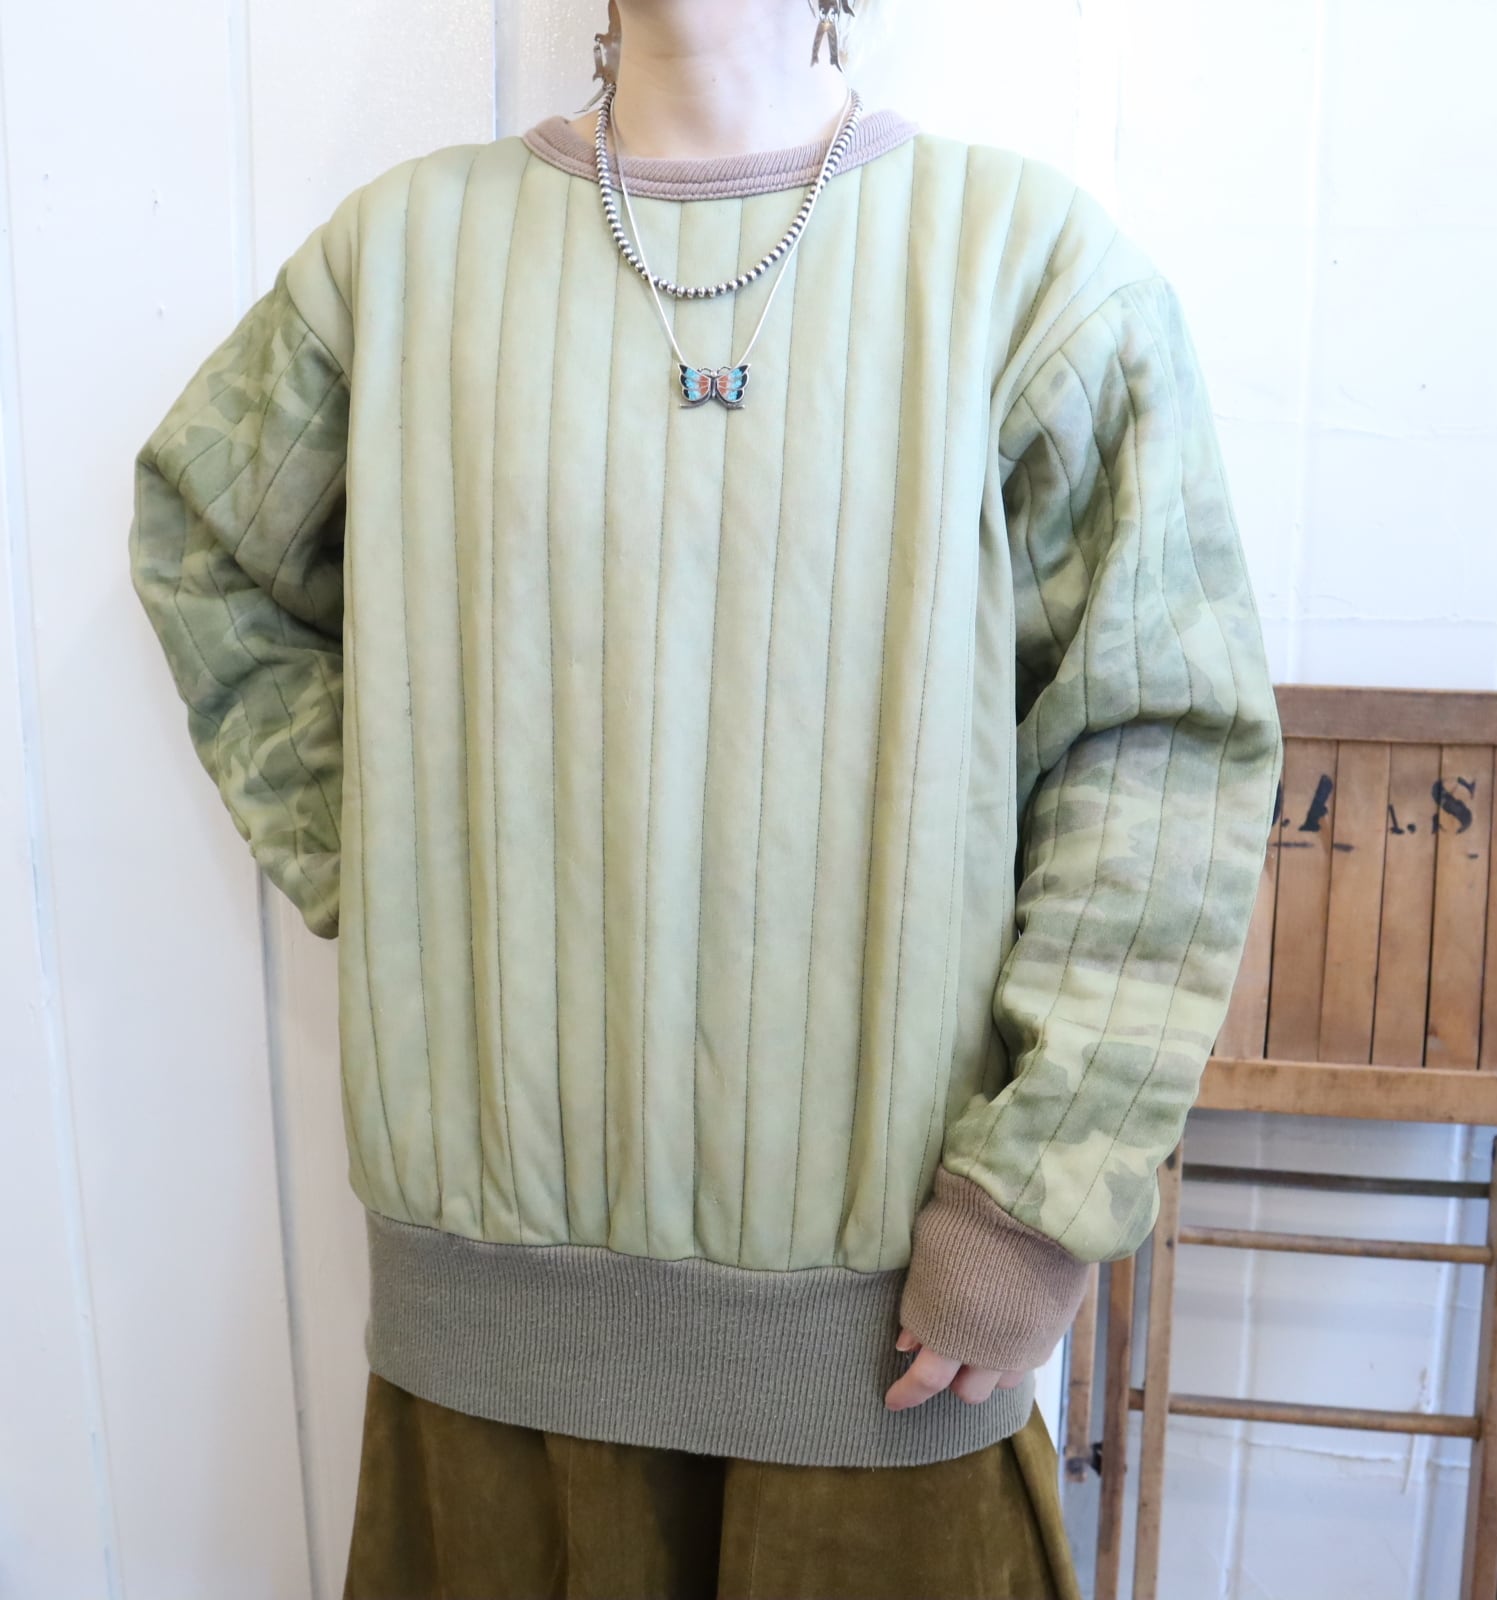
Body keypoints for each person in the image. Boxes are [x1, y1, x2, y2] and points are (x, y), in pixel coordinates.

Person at [125, 0, 1284, 1593]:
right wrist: (394, 868)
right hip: (492, 1379)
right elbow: (204, 549)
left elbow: (1163, 745)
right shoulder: (393, 264)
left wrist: (1035, 1200)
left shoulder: (1029, 274)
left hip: (888, 1358)